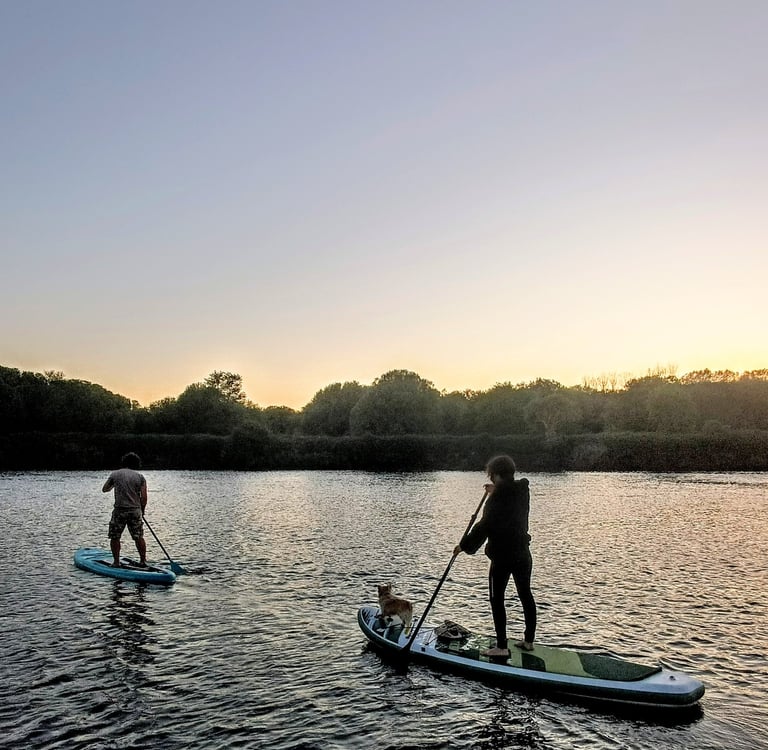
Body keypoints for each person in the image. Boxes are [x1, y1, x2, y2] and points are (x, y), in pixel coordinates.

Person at [454, 454, 537, 658]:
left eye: (492, 476)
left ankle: (501, 647)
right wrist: (496, 491)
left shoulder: (495, 502)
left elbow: (483, 527)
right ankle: (528, 642)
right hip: (523, 555)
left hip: (502, 558)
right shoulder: (522, 492)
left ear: (496, 475)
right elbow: (510, 491)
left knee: (496, 599)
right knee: (525, 595)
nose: (490, 479)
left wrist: (463, 546)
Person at [102, 452, 148, 568]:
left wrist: (115, 485)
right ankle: (143, 561)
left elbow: (105, 489)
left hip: (119, 511)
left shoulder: (115, 474)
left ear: (124, 462)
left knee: (115, 536)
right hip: (135, 511)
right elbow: (144, 497)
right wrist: (142, 510)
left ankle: (116, 562)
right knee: (138, 536)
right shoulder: (140, 477)